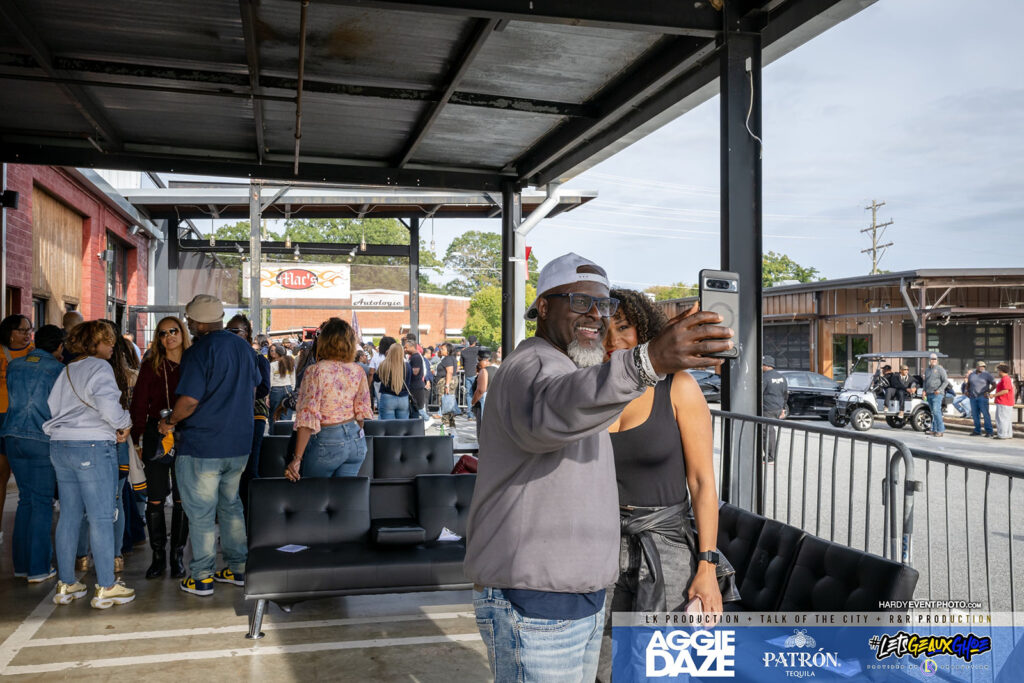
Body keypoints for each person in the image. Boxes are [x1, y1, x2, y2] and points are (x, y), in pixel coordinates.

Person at [465, 253, 733, 682]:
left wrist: (707, 564)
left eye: (604, 306)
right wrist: (648, 361)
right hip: (538, 598)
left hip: (601, 581)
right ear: (543, 307)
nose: (597, 317)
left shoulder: (593, 376)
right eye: (579, 301)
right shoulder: (536, 366)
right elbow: (554, 409)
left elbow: (702, 481)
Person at [597, 289, 738, 680]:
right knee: (602, 666)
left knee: (660, 669)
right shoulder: (589, 390)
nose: (612, 340)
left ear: (645, 330)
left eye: (623, 326)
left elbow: (703, 483)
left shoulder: (678, 386)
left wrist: (707, 566)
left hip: (666, 551)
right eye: (604, 329)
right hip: (601, 549)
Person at [158, 295, 261, 597]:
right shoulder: (244, 348)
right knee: (231, 505)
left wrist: (169, 421)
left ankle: (202, 576)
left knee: (201, 512)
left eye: (189, 319)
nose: (187, 324)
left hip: (203, 444)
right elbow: (255, 387)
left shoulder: (199, 351)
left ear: (199, 322)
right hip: (239, 443)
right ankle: (238, 568)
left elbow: (189, 401)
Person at [43, 320, 135, 609]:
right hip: (93, 445)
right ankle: (106, 586)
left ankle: (66, 584)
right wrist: (125, 422)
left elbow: (52, 405)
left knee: (69, 516)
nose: (112, 346)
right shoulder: (100, 367)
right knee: (101, 517)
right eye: (108, 341)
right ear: (95, 343)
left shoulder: (68, 369)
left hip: (61, 444)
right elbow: (109, 407)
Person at [1, 325, 65, 582]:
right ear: (59, 346)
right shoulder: (58, 370)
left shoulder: (15, 366)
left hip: (11, 435)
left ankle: (21, 565)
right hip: (40, 438)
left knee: (25, 500)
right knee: (41, 502)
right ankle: (39, 568)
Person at [130, 316, 191, 579]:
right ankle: (157, 557)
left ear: (183, 332)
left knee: (182, 498)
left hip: (188, 434)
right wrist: (136, 439)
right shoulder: (151, 365)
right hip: (156, 434)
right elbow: (138, 404)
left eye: (173, 331)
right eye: (163, 333)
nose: (169, 336)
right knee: (154, 497)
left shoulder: (193, 362)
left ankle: (177, 556)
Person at [285, 318, 372, 481]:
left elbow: (307, 417)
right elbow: (361, 413)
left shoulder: (315, 371)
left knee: (315, 493)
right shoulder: (358, 371)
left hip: (327, 440)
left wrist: (297, 458)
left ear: (324, 341)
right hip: (355, 441)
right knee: (345, 495)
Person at [225, 314, 271, 524]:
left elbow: (263, 388)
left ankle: (252, 518)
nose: (232, 335)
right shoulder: (225, 356)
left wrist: (240, 392)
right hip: (228, 418)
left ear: (247, 335)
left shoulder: (258, 358)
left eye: (236, 331)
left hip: (254, 416)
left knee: (250, 468)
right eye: (228, 331)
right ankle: (233, 518)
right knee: (230, 470)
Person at [0, 314, 35, 546]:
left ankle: (28, 531)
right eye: (22, 330)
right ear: (10, 332)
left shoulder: (35, 354)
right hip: (1, 418)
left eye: (29, 330)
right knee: (1, 476)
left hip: (24, 420)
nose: (27, 335)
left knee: (27, 480)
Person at [375, 338, 412, 420]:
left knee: (388, 425)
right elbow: (409, 382)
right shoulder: (407, 366)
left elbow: (376, 378)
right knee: (403, 425)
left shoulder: (384, 364)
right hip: (403, 398)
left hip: (387, 397)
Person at [762, 355, 788, 463]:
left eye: (762, 365)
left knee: (766, 432)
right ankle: (769, 455)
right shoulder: (781, 377)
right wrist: (783, 408)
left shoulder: (764, 377)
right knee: (770, 430)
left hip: (767, 408)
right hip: (777, 408)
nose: (761, 367)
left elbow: (758, 393)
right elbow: (785, 394)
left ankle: (770, 457)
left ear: (767, 365)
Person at [404, 337, 435, 427]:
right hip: (414, 386)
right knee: (415, 407)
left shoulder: (416, 357)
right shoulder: (413, 357)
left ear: (412, 347)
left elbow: (415, 371)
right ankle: (415, 424)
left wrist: (405, 370)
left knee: (417, 406)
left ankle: (427, 419)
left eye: (406, 347)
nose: (405, 349)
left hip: (416, 387)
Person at [267, 343, 296, 428]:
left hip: (275, 390)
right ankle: (285, 433)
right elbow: (293, 379)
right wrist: (291, 389)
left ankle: (273, 433)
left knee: (274, 414)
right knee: (286, 414)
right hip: (288, 389)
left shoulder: (272, 365)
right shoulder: (290, 363)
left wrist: (267, 396)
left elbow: (270, 381)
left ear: (277, 354)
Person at [966, 361, 996, 437]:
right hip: (973, 397)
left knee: (986, 415)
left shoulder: (987, 374)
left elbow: (994, 385)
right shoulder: (971, 375)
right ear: (976, 367)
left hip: (983, 397)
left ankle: (989, 432)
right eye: (980, 366)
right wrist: (966, 391)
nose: (982, 368)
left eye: (983, 366)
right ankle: (977, 431)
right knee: (975, 415)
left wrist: (988, 392)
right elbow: (968, 384)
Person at [470, 349, 495, 441]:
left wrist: (473, 402)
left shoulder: (484, 371)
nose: (478, 362)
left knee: (482, 431)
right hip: (494, 405)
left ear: (486, 360)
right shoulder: (497, 370)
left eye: (479, 360)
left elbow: (481, 390)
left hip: (483, 405)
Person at [923, 353, 949, 437]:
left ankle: (940, 430)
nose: (933, 360)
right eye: (932, 359)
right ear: (929, 360)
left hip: (937, 394)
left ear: (937, 360)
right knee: (933, 412)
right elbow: (925, 381)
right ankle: (934, 429)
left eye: (935, 359)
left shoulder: (940, 369)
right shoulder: (927, 370)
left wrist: (939, 390)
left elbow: (946, 381)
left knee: (936, 411)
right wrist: (924, 391)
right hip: (929, 393)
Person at [436, 343, 460, 430]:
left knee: (445, 402)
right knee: (449, 402)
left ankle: (445, 423)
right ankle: (451, 423)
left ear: (448, 351)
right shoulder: (451, 358)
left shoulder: (448, 359)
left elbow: (449, 372)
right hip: (449, 381)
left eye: (443, 349)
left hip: (446, 381)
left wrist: (447, 385)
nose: (441, 350)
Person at [993, 364, 1015, 439]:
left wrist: (994, 395)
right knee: (1007, 419)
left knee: (1001, 419)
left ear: (1001, 371)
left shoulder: (1005, 379)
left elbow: (1005, 390)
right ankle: (1008, 434)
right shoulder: (1006, 378)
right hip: (1007, 402)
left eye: (998, 371)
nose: (997, 372)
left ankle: (1002, 434)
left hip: (1003, 401)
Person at [460, 335, 480, 417]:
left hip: (467, 374)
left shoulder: (463, 351)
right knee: (478, 393)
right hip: (476, 374)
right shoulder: (478, 350)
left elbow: (461, 364)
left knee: (469, 394)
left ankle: (470, 413)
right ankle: (477, 412)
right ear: (475, 342)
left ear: (469, 341)